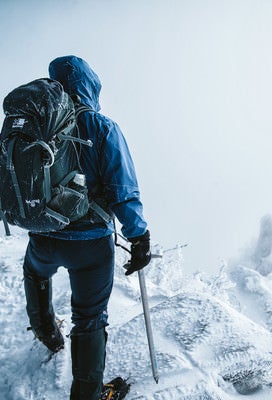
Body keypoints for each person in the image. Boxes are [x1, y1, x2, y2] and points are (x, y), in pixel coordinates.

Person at [22, 55, 151, 400]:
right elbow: (124, 190)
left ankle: (48, 333)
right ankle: (89, 395)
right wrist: (139, 237)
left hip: (44, 237)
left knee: (35, 273)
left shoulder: (35, 126)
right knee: (89, 318)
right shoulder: (102, 127)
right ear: (88, 86)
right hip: (90, 247)